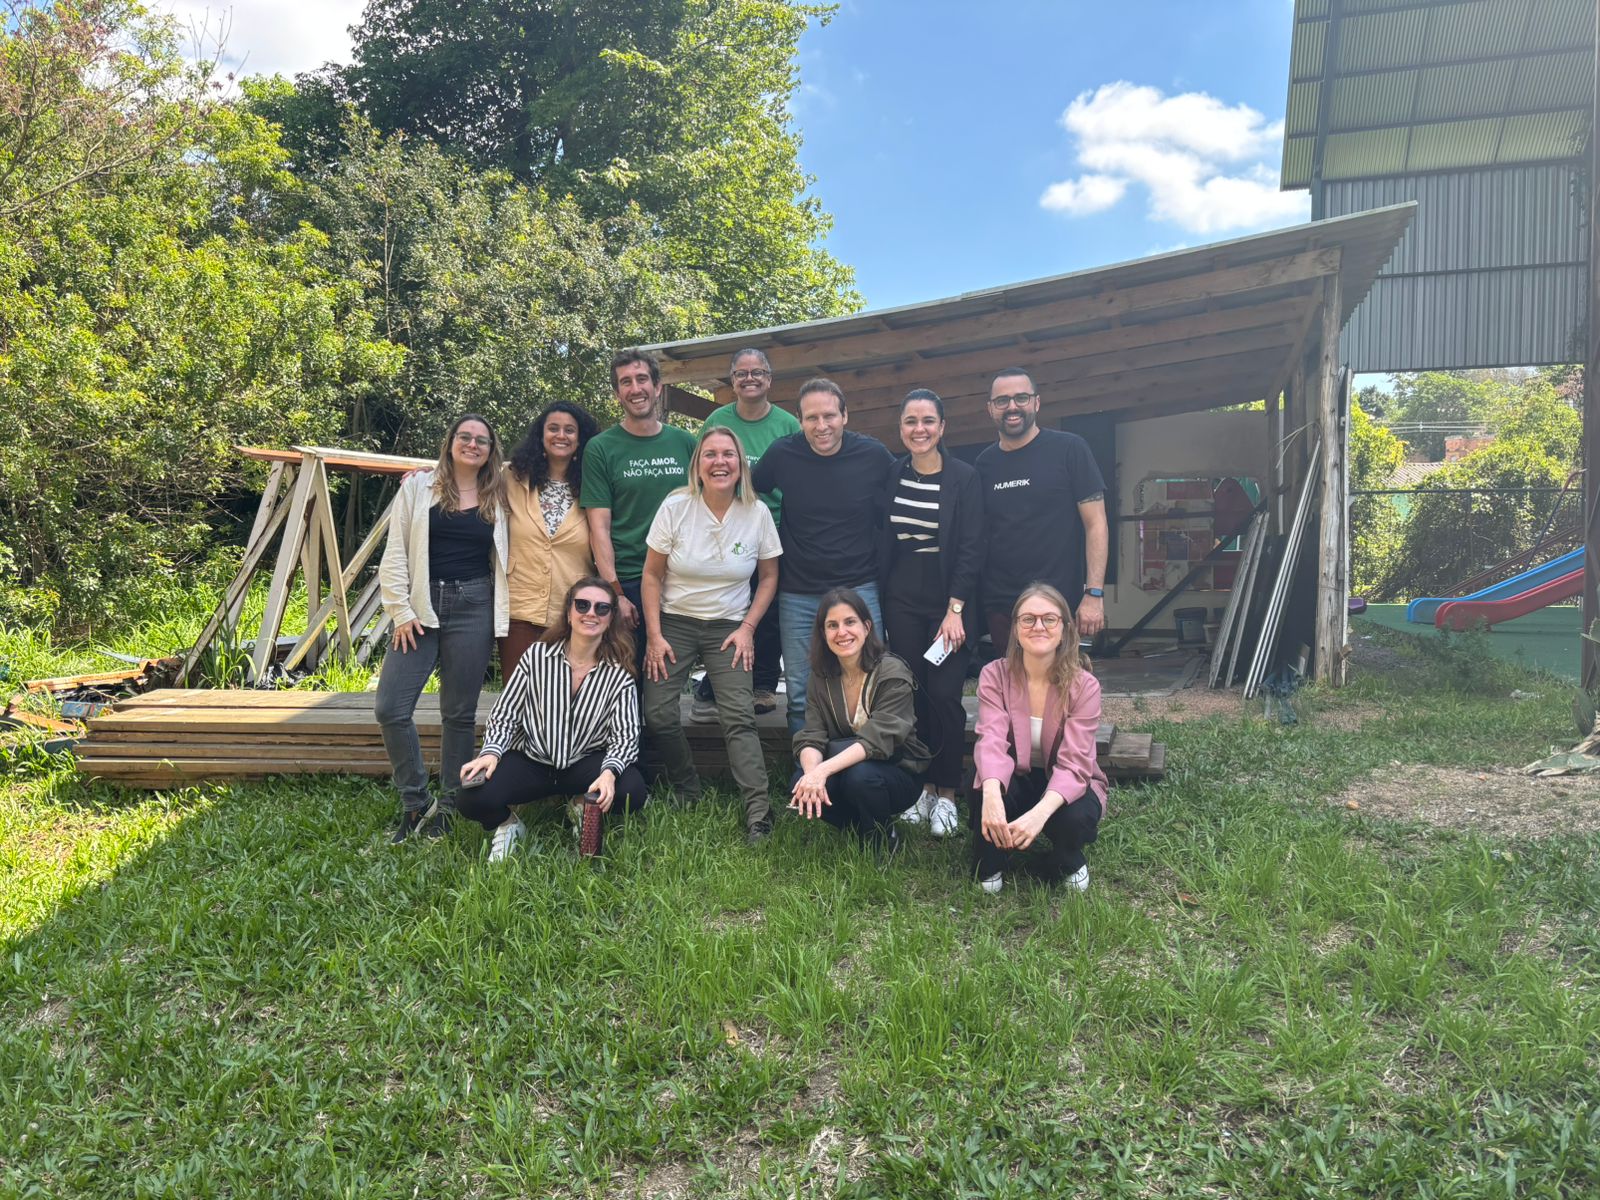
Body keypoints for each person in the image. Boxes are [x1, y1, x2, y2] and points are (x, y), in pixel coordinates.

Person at [641, 426, 782, 843]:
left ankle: (759, 811)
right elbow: (651, 575)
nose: (720, 462)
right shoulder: (676, 506)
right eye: (710, 454)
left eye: (728, 454)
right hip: (675, 621)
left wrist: (748, 628)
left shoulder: (756, 512)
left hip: (729, 627)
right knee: (658, 713)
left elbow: (769, 576)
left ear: (741, 465)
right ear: (697, 465)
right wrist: (654, 635)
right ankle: (687, 787)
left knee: (739, 716)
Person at [376, 413, 510, 842]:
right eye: (464, 437)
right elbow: (395, 551)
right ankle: (415, 802)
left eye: (482, 440)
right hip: (420, 606)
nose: (472, 444)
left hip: (474, 604)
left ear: (491, 450)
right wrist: (400, 611)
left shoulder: (500, 491)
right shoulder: (419, 486)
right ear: (450, 442)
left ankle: (452, 805)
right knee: (391, 708)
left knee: (459, 714)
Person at [457, 577, 648, 861]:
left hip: (584, 762)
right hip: (533, 759)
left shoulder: (619, 674)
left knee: (632, 789)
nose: (591, 613)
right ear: (569, 613)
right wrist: (491, 752)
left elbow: (625, 736)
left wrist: (609, 772)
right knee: (471, 796)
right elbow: (506, 712)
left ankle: (581, 804)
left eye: (602, 608)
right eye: (582, 605)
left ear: (610, 619)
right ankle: (509, 826)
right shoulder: (537, 656)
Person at [752, 378, 895, 734]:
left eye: (829, 416)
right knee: (801, 691)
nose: (822, 426)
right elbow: (749, 490)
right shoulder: (783, 454)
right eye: (811, 418)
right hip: (798, 589)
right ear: (799, 420)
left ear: (845, 415)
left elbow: (903, 493)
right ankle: (805, 760)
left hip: (859, 584)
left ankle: (865, 758)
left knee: (870, 679)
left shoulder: (873, 455)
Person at [877, 388, 984, 839]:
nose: (918, 429)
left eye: (927, 421)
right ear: (900, 428)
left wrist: (955, 608)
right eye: (910, 421)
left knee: (943, 695)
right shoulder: (892, 474)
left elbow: (972, 547)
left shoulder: (964, 477)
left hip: (949, 600)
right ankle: (921, 788)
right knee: (913, 693)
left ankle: (948, 793)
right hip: (901, 597)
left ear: (942, 427)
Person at [971, 583, 1107, 894]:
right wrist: (991, 797)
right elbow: (991, 740)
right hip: (1014, 776)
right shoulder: (994, 675)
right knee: (980, 786)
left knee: (1075, 818)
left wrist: (1039, 815)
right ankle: (992, 856)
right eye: (1028, 619)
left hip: (1065, 780)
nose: (1038, 627)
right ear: (1015, 629)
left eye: (1049, 619)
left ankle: (1066, 857)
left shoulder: (1085, 686)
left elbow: (1075, 762)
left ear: (1065, 629)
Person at [692, 347, 800, 718]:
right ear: (732, 380)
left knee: (767, 610)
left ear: (769, 379)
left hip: (776, 527)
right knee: (726, 606)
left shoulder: (787, 424)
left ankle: (765, 684)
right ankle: (717, 681)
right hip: (725, 526)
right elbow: (701, 470)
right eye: (741, 373)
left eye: (757, 372)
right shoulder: (717, 420)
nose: (749, 378)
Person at [976, 368, 1109, 651]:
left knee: (1061, 678)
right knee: (1010, 679)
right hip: (1002, 605)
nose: (1012, 406)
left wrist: (1094, 593)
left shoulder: (1070, 449)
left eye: (1021, 398)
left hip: (1058, 602)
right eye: (1002, 400)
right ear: (990, 409)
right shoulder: (983, 464)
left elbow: (1096, 524)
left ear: (1036, 402)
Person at [580, 349, 697, 668]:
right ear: (617, 394)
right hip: (629, 581)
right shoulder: (601, 448)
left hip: (681, 579)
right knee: (627, 677)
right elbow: (599, 528)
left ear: (657, 387)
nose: (635, 388)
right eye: (626, 382)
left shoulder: (685, 443)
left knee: (668, 678)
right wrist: (615, 592)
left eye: (642, 379)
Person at [789, 588, 929, 854]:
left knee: (860, 777)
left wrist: (822, 771)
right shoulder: (821, 675)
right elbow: (812, 735)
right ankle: (860, 827)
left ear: (866, 627)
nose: (842, 632)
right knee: (798, 781)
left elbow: (878, 739)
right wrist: (811, 776)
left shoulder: (892, 671)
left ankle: (881, 838)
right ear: (823, 633)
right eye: (832, 625)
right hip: (849, 768)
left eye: (850, 622)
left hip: (899, 771)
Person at [500, 401, 599, 675]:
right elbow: (468, 481)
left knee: (565, 694)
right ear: (541, 435)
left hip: (573, 613)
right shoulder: (511, 477)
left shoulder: (595, 484)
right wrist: (428, 477)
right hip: (519, 609)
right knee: (518, 693)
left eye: (570, 430)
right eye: (553, 428)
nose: (561, 435)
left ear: (580, 439)